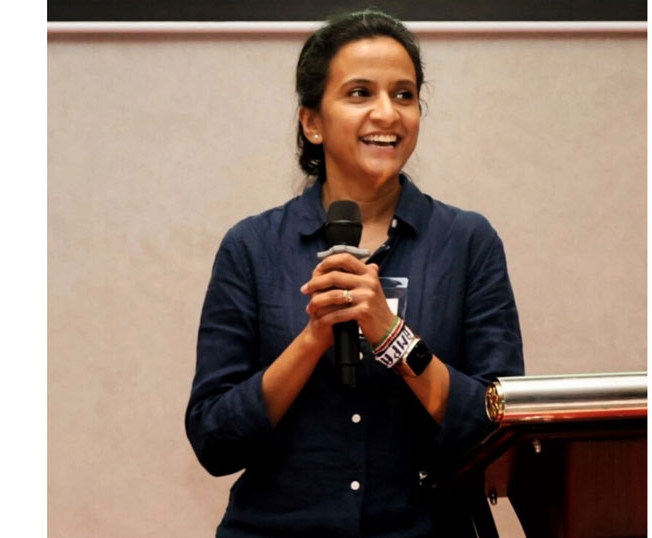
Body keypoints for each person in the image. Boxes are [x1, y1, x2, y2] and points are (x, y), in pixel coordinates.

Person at [186, 9, 524, 537]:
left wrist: (391, 336)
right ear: (312, 122)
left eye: (404, 94)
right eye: (360, 93)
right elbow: (214, 439)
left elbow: (497, 427)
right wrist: (314, 337)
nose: (387, 114)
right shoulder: (252, 247)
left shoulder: (466, 243)